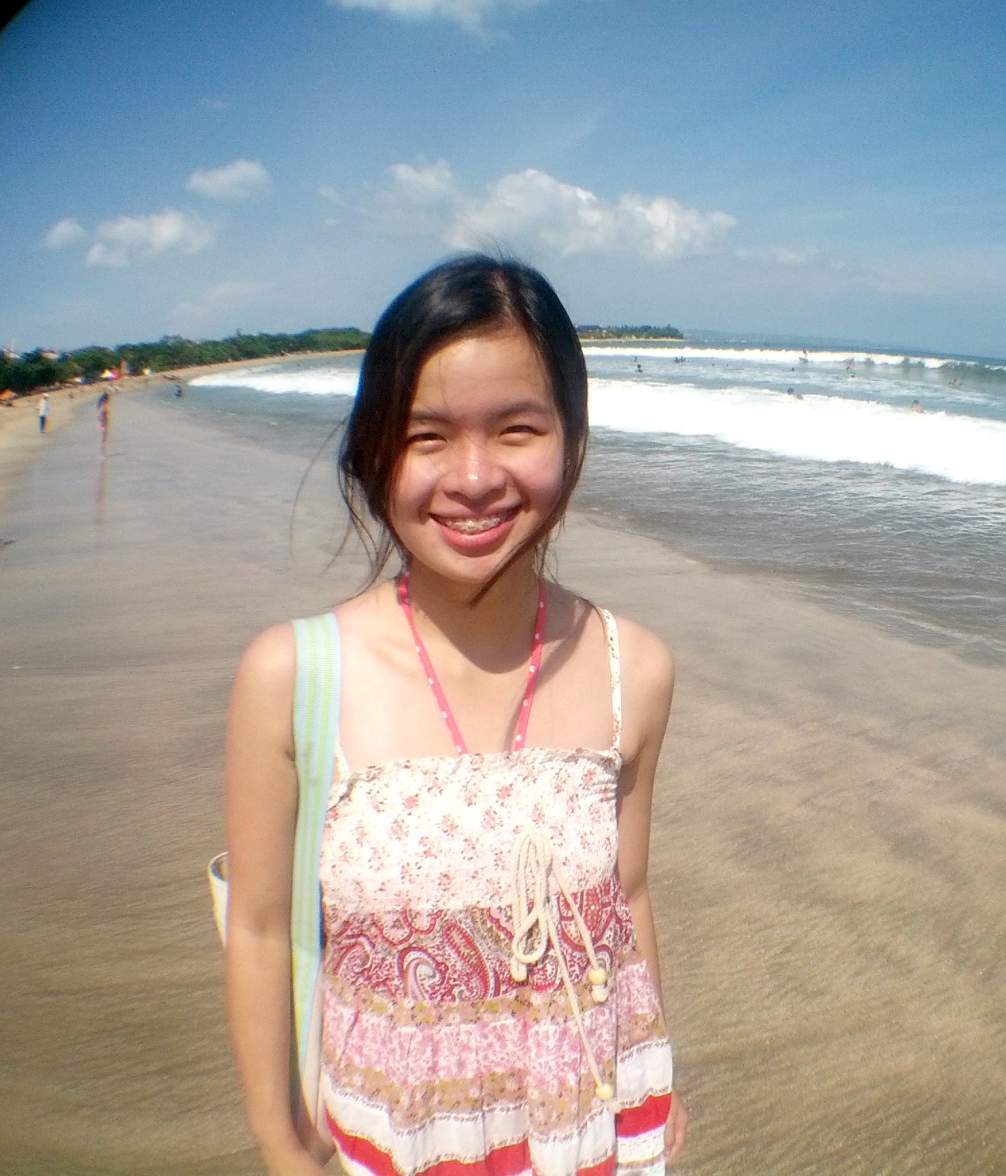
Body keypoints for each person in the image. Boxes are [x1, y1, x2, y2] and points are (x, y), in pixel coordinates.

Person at [224, 255, 688, 1175]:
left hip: (600, 1126)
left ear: (572, 439)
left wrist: (658, 1089)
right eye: (425, 436)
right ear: (371, 449)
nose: (473, 479)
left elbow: (627, 897)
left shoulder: (633, 665)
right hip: (391, 1139)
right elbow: (259, 928)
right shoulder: (294, 675)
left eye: (517, 429)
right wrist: (281, 1143)